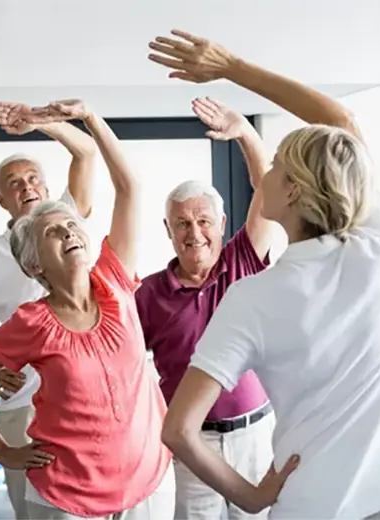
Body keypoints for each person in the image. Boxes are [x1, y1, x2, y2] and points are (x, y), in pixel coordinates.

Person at [150, 30, 380, 519]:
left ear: (293, 193)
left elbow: (178, 429)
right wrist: (233, 66)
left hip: (311, 505)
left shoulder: (249, 297)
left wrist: (250, 497)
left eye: (278, 165)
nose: (265, 172)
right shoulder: (376, 247)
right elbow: (341, 121)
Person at [0, 99, 174, 520]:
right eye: (54, 231)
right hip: (68, 493)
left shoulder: (114, 279)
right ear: (33, 263)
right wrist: (1, 450)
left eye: (72, 225)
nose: (69, 231)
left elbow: (130, 187)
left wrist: (88, 117)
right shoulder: (31, 321)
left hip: (146, 481)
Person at [135, 95, 276, 519]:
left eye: (203, 221)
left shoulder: (244, 259)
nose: (194, 232)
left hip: (255, 433)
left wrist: (247, 135)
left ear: (222, 224)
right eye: (182, 223)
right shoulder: (148, 294)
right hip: (192, 442)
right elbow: (115, 358)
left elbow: (268, 192)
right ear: (168, 230)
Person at [0, 99, 97, 519]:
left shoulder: (66, 218)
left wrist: (44, 122)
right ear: (1, 198)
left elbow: (86, 152)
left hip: (84, 397)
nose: (26, 188)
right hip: (24, 408)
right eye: (14, 183)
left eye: (33, 178)